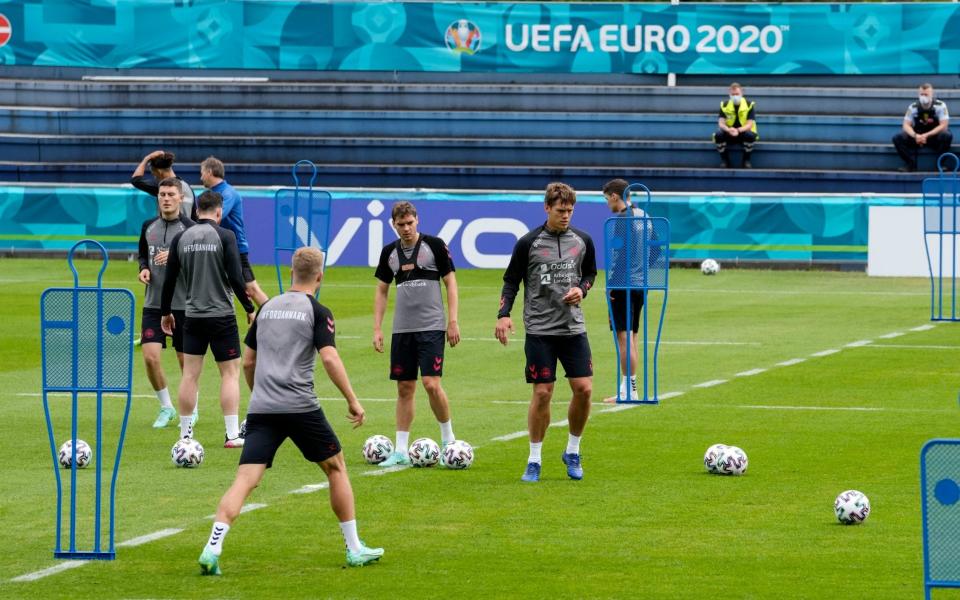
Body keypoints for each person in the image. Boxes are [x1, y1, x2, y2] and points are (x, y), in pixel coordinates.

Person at [197, 247, 383, 575]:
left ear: (291, 272)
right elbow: (329, 358)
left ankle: (212, 548)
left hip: (262, 408)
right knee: (336, 468)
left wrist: (260, 396)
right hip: (300, 407)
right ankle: (355, 549)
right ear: (320, 277)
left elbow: (249, 361)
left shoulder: (266, 308)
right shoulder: (318, 310)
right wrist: (353, 400)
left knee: (245, 480)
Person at [494, 182, 597, 483]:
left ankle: (573, 450)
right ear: (547, 208)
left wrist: (582, 289)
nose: (566, 216)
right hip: (540, 329)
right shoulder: (528, 243)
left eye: (570, 210)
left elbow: (589, 274)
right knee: (542, 393)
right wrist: (503, 315)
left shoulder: (583, 240)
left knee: (585, 389)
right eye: (561, 210)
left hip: (573, 328)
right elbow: (511, 281)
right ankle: (534, 458)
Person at [160, 190, 256, 449]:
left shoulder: (181, 238)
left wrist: (166, 312)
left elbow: (169, 280)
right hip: (222, 315)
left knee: (190, 375)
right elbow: (236, 277)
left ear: (195, 211)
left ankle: (185, 435)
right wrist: (249, 306)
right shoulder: (225, 235)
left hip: (192, 315)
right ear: (219, 211)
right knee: (229, 374)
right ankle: (232, 434)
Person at [372, 201, 460, 467]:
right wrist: (377, 327)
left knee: (431, 383)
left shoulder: (434, 245)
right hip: (403, 330)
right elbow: (382, 290)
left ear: (417, 221)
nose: (406, 228)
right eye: (401, 225)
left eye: (410, 223)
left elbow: (451, 282)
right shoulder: (390, 252)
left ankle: (448, 440)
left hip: (432, 326)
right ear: (394, 225)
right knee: (404, 387)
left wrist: (453, 321)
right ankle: (400, 450)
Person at [138, 178, 195, 428]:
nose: (166, 198)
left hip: (183, 304)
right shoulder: (148, 225)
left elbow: (198, 263)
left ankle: (191, 407)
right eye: (162, 194)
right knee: (150, 357)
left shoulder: (191, 228)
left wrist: (176, 256)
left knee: (186, 362)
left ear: (181, 197)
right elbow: (142, 254)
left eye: (171, 194)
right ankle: (166, 407)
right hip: (153, 302)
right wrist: (143, 269)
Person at [199, 156, 269, 307]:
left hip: (234, 248)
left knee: (251, 288)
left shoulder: (227, 193)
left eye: (202, 172)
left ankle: (274, 317)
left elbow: (216, 217)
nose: (200, 177)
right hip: (219, 247)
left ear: (210, 172)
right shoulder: (216, 193)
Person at [601, 178, 647, 403]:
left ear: (614, 196)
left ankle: (629, 390)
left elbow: (622, 254)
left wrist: (612, 282)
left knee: (623, 337)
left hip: (624, 283)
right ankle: (629, 389)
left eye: (606, 199)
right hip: (641, 283)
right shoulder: (644, 216)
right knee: (633, 336)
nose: (607, 204)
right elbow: (656, 248)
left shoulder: (621, 219)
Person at [892, 83, 952, 172]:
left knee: (947, 135)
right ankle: (910, 164)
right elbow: (905, 125)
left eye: (926, 94)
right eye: (921, 94)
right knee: (897, 138)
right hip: (917, 137)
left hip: (933, 137)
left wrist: (926, 135)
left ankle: (940, 164)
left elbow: (944, 125)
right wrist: (915, 135)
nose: (923, 96)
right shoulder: (913, 107)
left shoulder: (940, 105)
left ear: (932, 94)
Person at [131, 150, 196, 220]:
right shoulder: (187, 187)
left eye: (153, 173)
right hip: (188, 229)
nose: (154, 177)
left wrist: (146, 158)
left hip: (171, 229)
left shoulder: (162, 187)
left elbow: (135, 180)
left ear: (159, 172)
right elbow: (194, 215)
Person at [713, 82, 757, 169]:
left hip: (742, 133)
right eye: (733, 94)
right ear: (729, 94)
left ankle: (746, 160)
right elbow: (721, 123)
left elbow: (749, 124)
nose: (735, 96)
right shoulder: (725, 105)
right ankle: (725, 161)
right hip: (729, 132)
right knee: (718, 135)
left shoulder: (749, 105)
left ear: (742, 93)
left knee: (750, 135)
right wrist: (728, 130)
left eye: (737, 94)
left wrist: (738, 130)